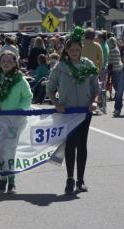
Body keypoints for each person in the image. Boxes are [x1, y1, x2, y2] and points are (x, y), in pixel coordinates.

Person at [46, 27, 100, 194]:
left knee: (82, 144)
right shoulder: (60, 67)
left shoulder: (88, 65)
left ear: (81, 50)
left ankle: (81, 180)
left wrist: (95, 102)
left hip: (84, 111)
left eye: (77, 49)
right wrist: (56, 104)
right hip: (68, 112)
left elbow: (95, 88)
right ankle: (70, 179)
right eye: (72, 49)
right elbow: (49, 89)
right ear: (66, 50)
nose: (75, 52)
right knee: (70, 145)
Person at [0, 51, 33, 194]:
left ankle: (11, 180)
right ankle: (2, 177)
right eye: (3, 60)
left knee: (10, 150)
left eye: (9, 61)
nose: (6, 63)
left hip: (14, 122)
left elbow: (27, 97)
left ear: (15, 63)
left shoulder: (20, 80)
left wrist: (20, 110)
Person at [108, 37, 124, 117]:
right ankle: (118, 107)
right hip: (119, 70)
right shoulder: (119, 48)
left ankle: (117, 108)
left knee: (119, 91)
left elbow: (110, 61)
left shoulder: (114, 50)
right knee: (118, 91)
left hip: (118, 71)